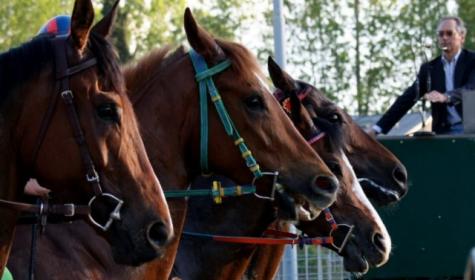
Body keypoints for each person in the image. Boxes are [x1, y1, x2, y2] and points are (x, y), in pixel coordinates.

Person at [371, 16, 475, 135]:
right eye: (440, 34)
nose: (444, 37)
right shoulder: (429, 69)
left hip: (471, 132)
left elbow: (471, 88)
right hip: (443, 134)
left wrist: (446, 97)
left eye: (449, 33)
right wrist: (377, 129)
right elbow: (407, 99)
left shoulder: (472, 61)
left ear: (462, 36)